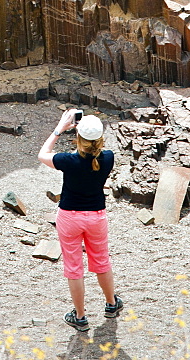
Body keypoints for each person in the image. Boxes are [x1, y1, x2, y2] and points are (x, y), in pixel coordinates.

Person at [38, 108, 123, 332]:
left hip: (69, 217)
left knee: (74, 267)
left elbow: (42, 154)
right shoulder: (108, 158)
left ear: (79, 137)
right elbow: (94, 152)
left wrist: (60, 128)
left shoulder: (68, 161)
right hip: (96, 217)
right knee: (102, 261)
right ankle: (111, 305)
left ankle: (81, 316)